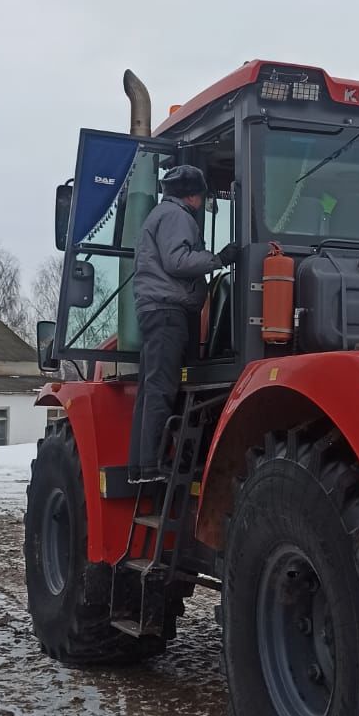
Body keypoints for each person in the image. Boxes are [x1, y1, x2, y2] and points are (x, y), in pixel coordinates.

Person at [128, 164, 238, 483]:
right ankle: (151, 466)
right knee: (163, 388)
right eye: (202, 195)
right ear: (193, 195)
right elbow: (177, 262)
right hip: (168, 310)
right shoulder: (177, 217)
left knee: (150, 389)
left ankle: (139, 466)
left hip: (154, 309)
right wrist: (219, 259)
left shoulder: (159, 214)